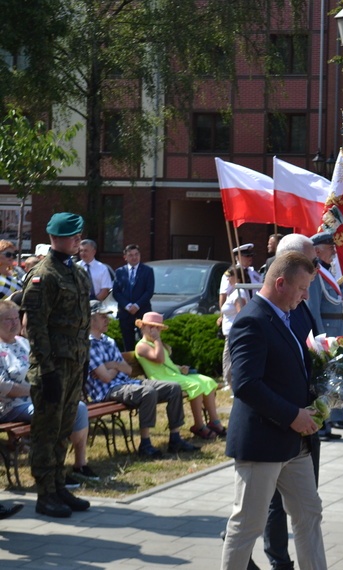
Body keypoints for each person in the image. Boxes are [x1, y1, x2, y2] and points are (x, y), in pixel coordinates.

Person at [220, 251, 327, 570]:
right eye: (302, 288)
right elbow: (246, 385)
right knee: (246, 526)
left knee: (309, 515)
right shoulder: (251, 320)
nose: (306, 295)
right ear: (281, 283)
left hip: (296, 445)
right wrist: (293, 416)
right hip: (263, 443)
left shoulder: (288, 314)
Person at [20, 213, 92, 518]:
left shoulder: (75, 272)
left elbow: (82, 322)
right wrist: (46, 370)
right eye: (72, 236)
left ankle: (59, 483)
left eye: (79, 236)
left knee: (64, 428)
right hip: (52, 367)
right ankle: (44, 493)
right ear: (55, 238)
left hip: (73, 363)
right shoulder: (43, 275)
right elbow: (35, 328)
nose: (78, 241)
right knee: (46, 431)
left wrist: (84, 361)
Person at [0, 300, 99, 486]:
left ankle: (80, 464)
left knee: (78, 407)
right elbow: (3, 386)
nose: (14, 323)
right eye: (8, 319)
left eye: (16, 318)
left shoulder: (23, 343)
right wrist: (37, 390)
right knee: (52, 411)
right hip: (10, 407)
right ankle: (53, 471)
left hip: (36, 399)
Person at [87, 301, 198, 458]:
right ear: (91, 320)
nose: (108, 320)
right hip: (107, 390)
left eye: (107, 316)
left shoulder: (108, 341)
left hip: (126, 383)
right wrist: (117, 367)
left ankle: (175, 439)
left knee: (174, 388)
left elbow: (128, 369)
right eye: (103, 317)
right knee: (148, 392)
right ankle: (145, 444)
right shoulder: (87, 344)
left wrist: (113, 366)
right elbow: (105, 378)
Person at [134, 311, 226, 439]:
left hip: (173, 375)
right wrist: (157, 340)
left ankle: (214, 421)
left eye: (157, 328)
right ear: (142, 327)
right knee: (195, 386)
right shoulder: (142, 346)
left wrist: (179, 367)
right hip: (161, 380)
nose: (154, 330)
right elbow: (159, 359)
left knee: (208, 381)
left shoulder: (157, 344)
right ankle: (198, 425)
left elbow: (166, 363)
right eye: (150, 327)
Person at [306, 232, 343, 435]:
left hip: (336, 333)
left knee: (330, 381)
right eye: (329, 246)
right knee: (322, 383)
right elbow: (313, 308)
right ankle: (321, 425)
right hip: (325, 335)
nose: (334, 249)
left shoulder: (327, 272)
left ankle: (326, 422)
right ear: (316, 250)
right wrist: (319, 339)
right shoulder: (316, 274)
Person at [112, 244, 155, 351]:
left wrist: (137, 305)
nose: (134, 257)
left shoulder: (147, 271)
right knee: (128, 345)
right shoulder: (119, 272)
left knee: (146, 343)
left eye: (136, 254)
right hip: (125, 314)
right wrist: (127, 306)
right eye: (130, 255)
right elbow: (116, 292)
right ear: (125, 257)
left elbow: (149, 291)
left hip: (142, 312)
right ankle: (130, 367)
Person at [218, 266, 249, 390]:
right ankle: (230, 383)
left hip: (234, 333)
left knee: (229, 359)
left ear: (238, 278)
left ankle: (231, 384)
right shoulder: (234, 291)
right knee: (228, 358)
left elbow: (241, 314)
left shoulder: (239, 292)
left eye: (230, 276)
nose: (228, 278)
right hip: (229, 332)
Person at [219, 243, 262, 308]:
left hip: (253, 308)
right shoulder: (232, 273)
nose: (250, 258)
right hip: (236, 309)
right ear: (238, 257)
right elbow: (223, 294)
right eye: (247, 256)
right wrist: (222, 315)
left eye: (251, 255)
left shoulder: (254, 272)